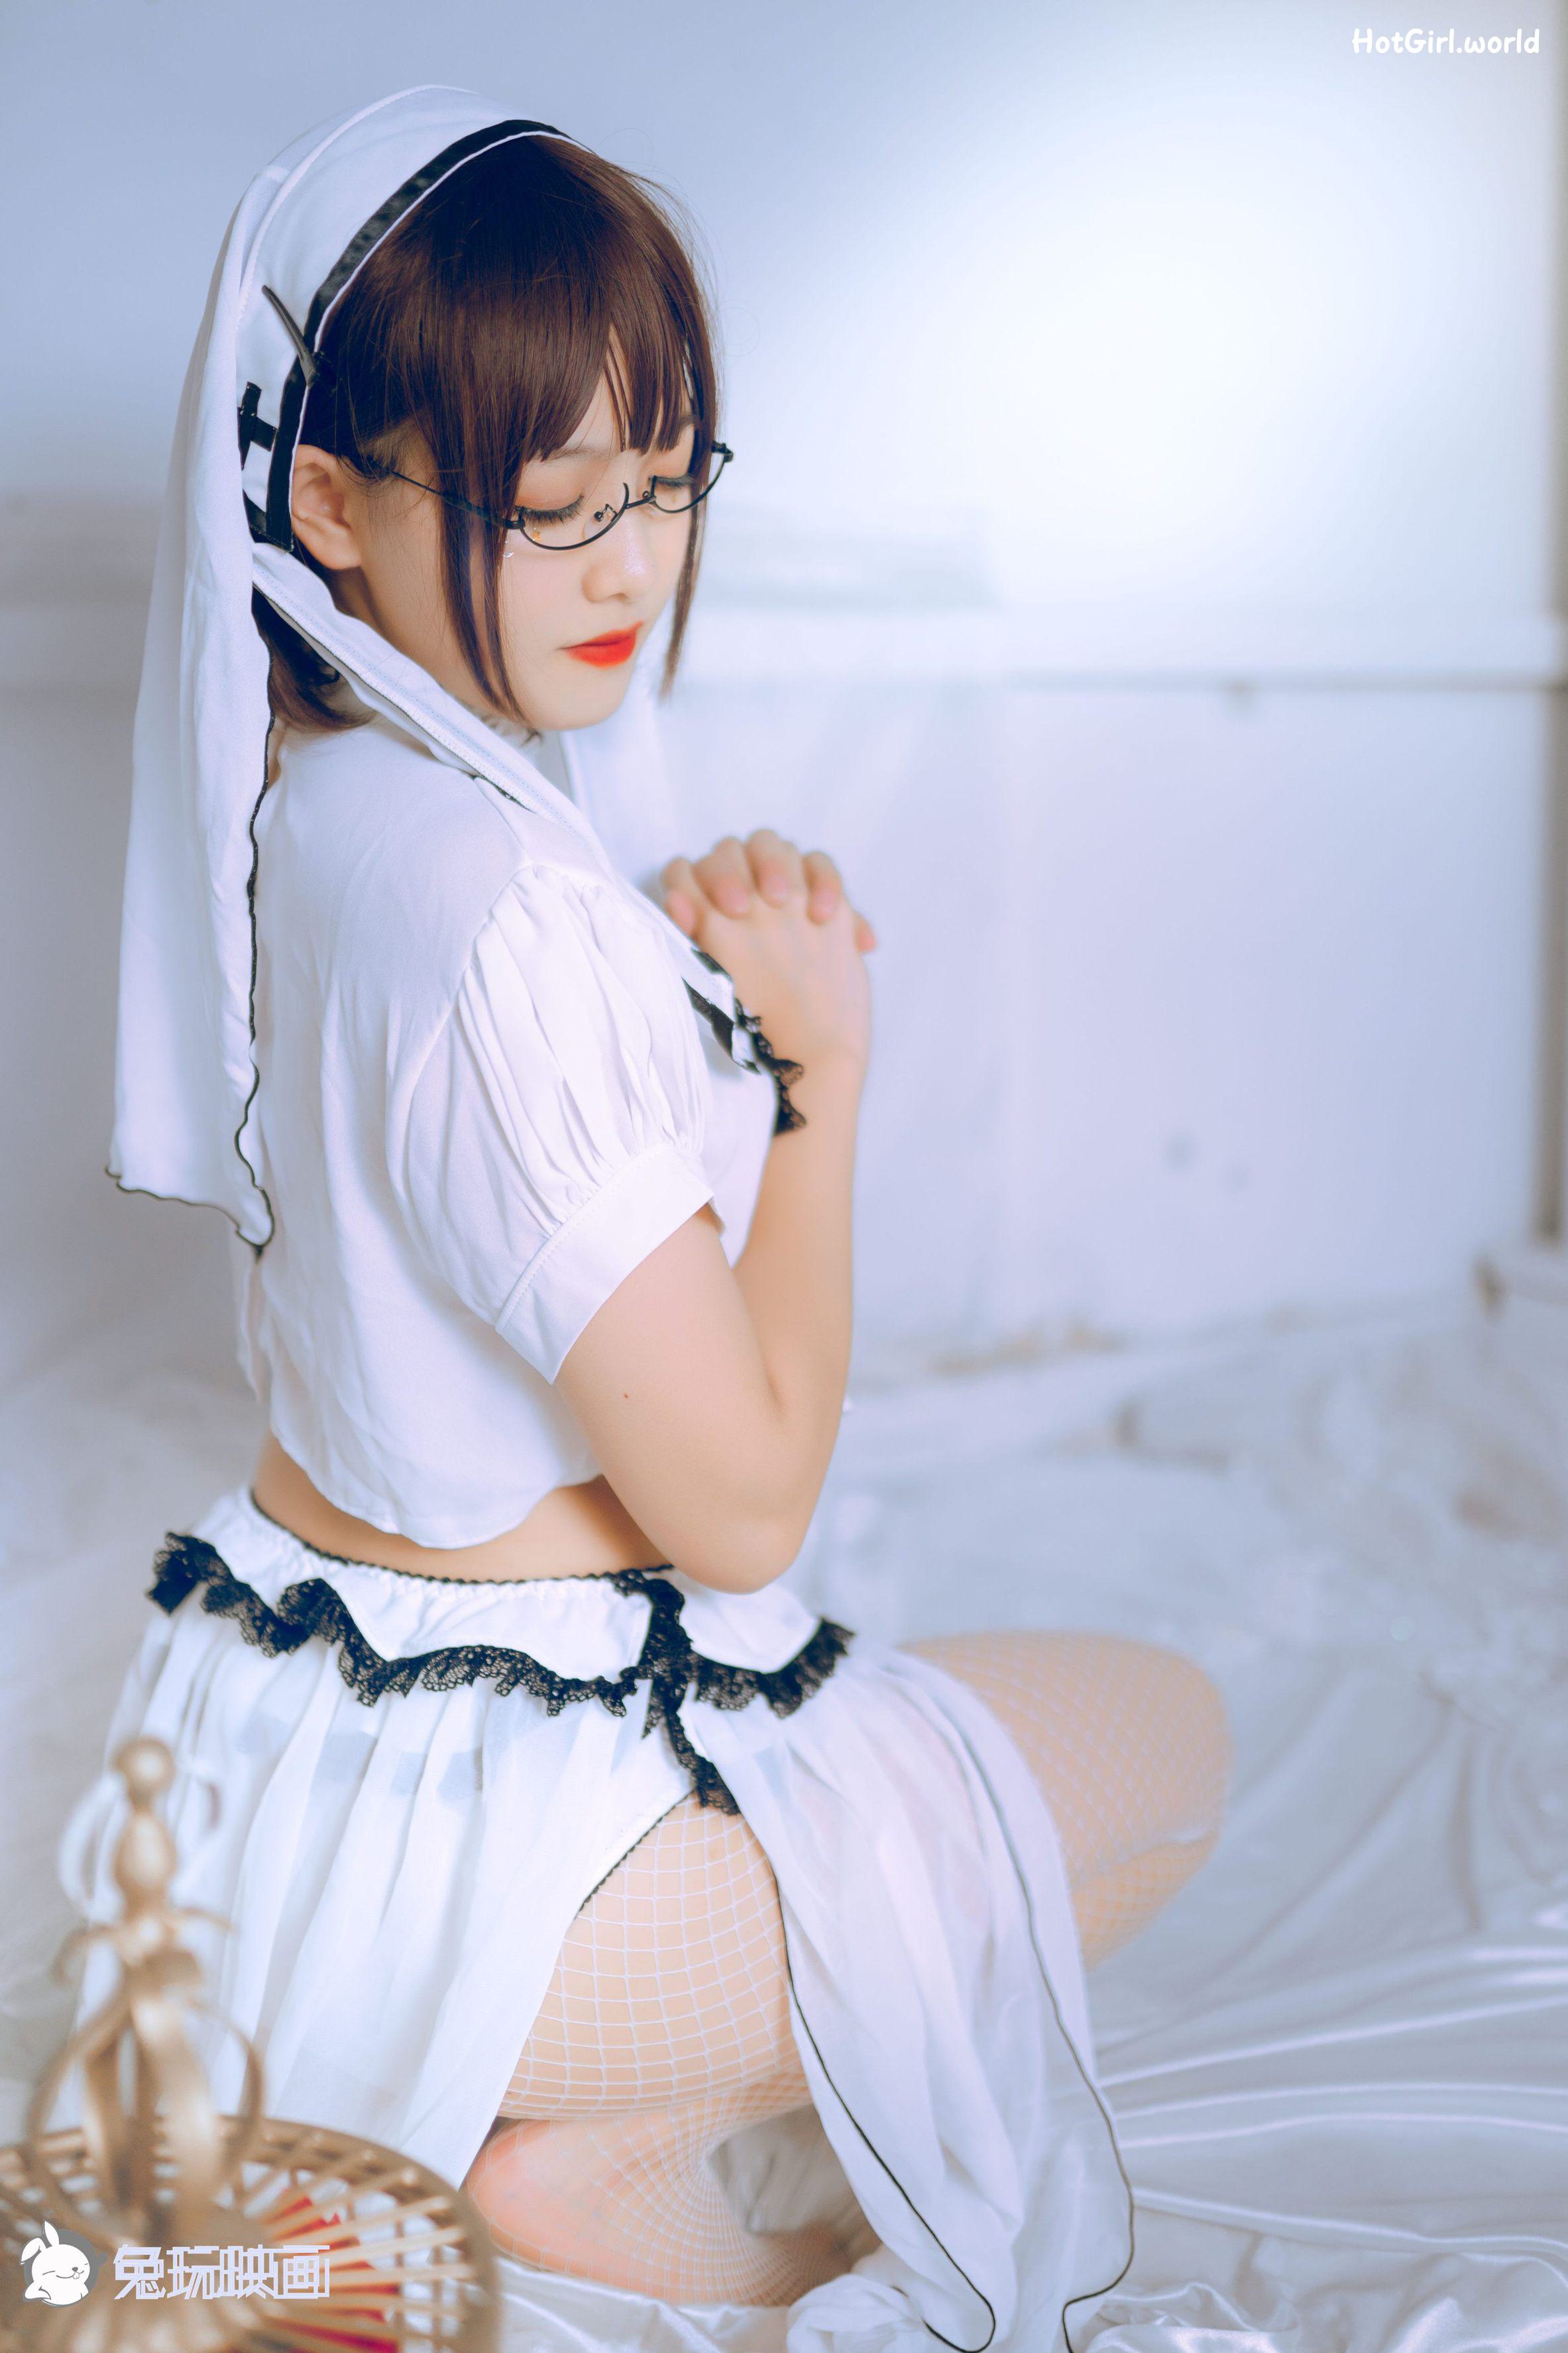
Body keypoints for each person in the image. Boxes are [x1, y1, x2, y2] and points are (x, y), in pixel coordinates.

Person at [66, 87, 1230, 2350]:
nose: (629, 568)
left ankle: (497, 2131)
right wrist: (815, 1077)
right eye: (553, 504)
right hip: (524, 1880)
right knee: (1168, 1749)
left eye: (669, 481)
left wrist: (671, 1004)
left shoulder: (307, 796)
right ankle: (568, 2158)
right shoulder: (505, 908)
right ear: (327, 502)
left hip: (290, 1805)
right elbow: (746, 1507)